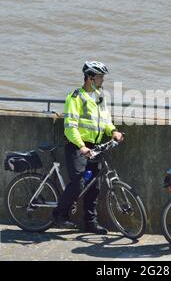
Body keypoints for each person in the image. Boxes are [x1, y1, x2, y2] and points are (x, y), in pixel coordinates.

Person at [53, 61, 124, 234]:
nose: (102, 80)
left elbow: (105, 119)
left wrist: (113, 131)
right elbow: (70, 126)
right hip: (78, 146)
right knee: (78, 182)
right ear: (90, 78)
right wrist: (82, 146)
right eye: (100, 77)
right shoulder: (76, 97)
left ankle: (90, 223)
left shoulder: (100, 96)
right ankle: (59, 215)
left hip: (96, 146)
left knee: (95, 185)